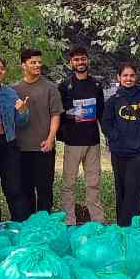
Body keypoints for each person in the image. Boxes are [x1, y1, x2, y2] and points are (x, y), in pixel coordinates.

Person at [102, 63, 140, 226]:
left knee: (134, 190)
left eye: (131, 75)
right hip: (119, 152)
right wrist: (115, 138)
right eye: (125, 75)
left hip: (139, 152)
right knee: (121, 190)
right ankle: (121, 227)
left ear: (136, 77)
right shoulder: (114, 99)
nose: (128, 79)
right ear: (119, 77)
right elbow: (106, 123)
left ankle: (130, 227)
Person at [57, 47, 105, 225]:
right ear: (71, 62)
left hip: (92, 141)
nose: (80, 62)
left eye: (83, 59)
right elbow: (58, 113)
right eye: (76, 59)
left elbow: (101, 113)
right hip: (72, 141)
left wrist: (107, 135)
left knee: (93, 183)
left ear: (87, 60)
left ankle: (97, 221)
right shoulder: (64, 86)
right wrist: (73, 114)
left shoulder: (96, 85)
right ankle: (69, 220)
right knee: (69, 183)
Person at [12, 49, 62, 214]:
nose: (37, 65)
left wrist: (50, 139)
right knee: (25, 191)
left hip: (44, 148)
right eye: (33, 62)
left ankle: (44, 224)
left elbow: (55, 115)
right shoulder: (14, 90)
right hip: (21, 149)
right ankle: (28, 225)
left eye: (39, 62)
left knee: (45, 191)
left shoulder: (50, 88)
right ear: (23, 65)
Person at [0, 56, 31, 222]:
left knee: (14, 188)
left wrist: (23, 110)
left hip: (8, 143)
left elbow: (21, 122)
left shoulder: (10, 93)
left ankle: (19, 225)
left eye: (2, 68)